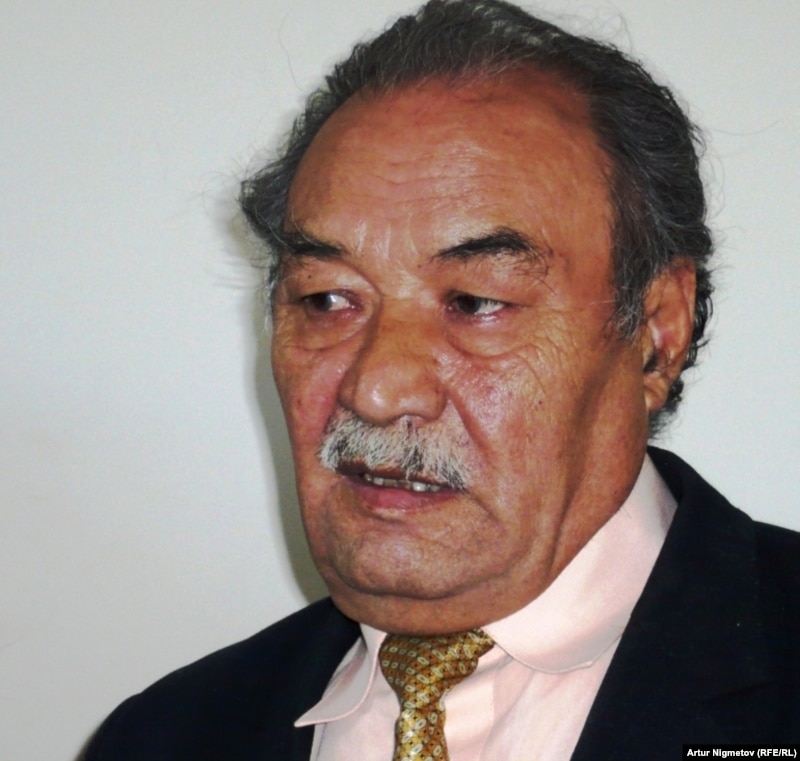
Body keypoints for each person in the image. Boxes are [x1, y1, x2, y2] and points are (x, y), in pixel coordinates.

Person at [81, 1, 800, 759]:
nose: (377, 390)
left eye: (477, 303)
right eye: (326, 299)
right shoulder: (164, 735)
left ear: (656, 332)